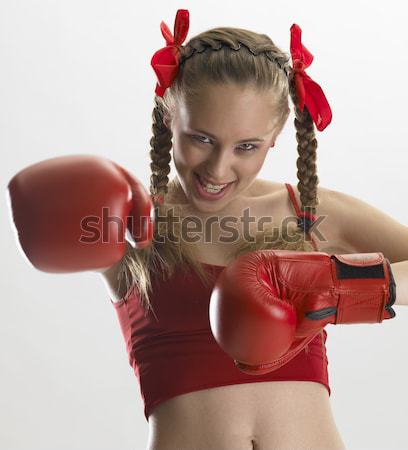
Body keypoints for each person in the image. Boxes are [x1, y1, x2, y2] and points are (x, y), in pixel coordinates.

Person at [7, 9, 408, 450]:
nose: (219, 168)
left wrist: (337, 285)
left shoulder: (310, 213)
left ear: (273, 139)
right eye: (201, 138)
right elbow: (38, 215)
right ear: (168, 119)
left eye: (247, 147)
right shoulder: (129, 225)